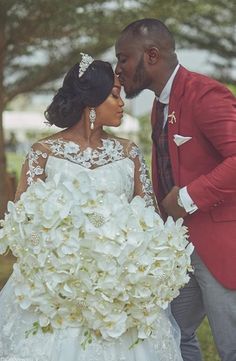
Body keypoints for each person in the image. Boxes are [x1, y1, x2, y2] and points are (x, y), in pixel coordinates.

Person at [0, 54, 183, 361]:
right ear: (90, 102)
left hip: (118, 292)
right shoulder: (43, 153)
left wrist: (136, 265)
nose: (121, 103)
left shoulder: (129, 153)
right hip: (56, 291)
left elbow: (151, 220)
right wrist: (55, 261)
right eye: (114, 95)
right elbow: (22, 222)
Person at [115, 18, 236, 361]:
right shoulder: (159, 105)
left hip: (221, 249)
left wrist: (186, 198)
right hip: (178, 251)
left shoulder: (205, 94)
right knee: (168, 335)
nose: (118, 69)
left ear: (151, 55)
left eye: (124, 58)